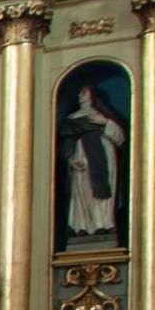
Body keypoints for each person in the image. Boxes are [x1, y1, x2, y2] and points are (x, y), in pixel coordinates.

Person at [59, 82, 126, 242]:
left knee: (103, 193)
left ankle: (104, 224)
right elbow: (66, 144)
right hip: (82, 156)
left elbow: (120, 139)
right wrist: (70, 159)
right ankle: (82, 226)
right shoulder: (72, 119)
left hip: (104, 156)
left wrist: (106, 123)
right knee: (83, 191)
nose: (79, 95)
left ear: (92, 96)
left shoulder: (103, 116)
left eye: (83, 92)